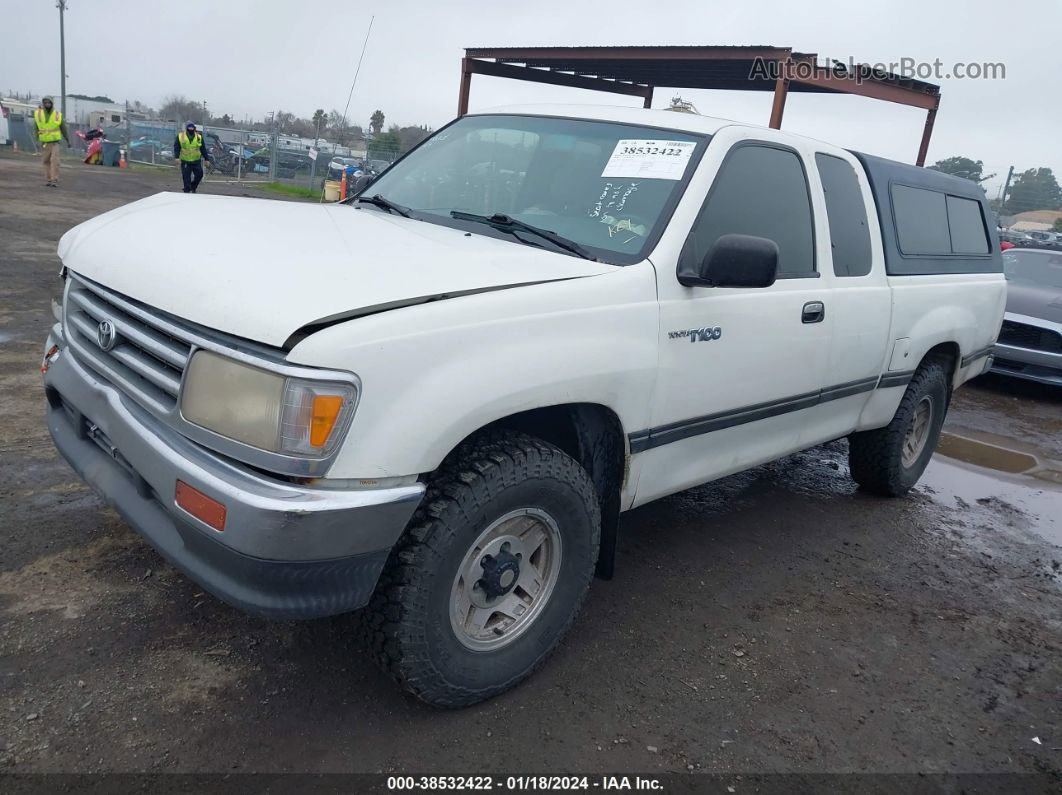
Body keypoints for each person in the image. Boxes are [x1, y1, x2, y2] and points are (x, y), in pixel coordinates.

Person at [34, 96, 70, 188]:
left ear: (52, 103)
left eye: (49, 103)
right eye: (45, 103)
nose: (47, 104)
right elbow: (36, 127)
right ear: (43, 103)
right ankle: (49, 179)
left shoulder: (58, 115)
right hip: (45, 142)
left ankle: (54, 180)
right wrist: (36, 139)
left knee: (55, 161)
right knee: (45, 161)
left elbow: (63, 128)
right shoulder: (38, 114)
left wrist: (68, 140)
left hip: (55, 142)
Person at [172, 122, 212, 193]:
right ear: (187, 128)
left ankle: (193, 187)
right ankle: (187, 190)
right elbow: (176, 147)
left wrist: (206, 159)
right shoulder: (180, 136)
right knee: (186, 178)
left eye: (192, 127)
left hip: (196, 161)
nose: (191, 129)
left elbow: (203, 148)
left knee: (200, 174)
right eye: (189, 127)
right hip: (185, 161)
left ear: (194, 128)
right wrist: (177, 157)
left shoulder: (199, 137)